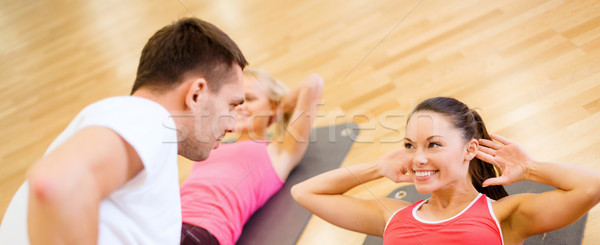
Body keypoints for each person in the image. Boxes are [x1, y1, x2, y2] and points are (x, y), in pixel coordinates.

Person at [0, 17, 248, 245]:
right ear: (196, 94)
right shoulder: (148, 117)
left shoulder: (140, 127)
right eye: (231, 105)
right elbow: (55, 181)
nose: (232, 126)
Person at [291, 97, 600, 244]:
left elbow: (591, 187)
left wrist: (530, 169)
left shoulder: (504, 216)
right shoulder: (393, 215)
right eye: (410, 146)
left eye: (433, 144)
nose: (417, 158)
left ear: (470, 150)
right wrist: (377, 167)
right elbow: (304, 192)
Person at [179, 68, 323, 245]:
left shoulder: (278, 152)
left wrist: (275, 110)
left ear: (273, 106)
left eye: (250, 99)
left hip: (201, 232)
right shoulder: (212, 145)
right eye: (235, 101)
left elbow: (312, 84)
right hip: (163, 223)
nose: (240, 106)